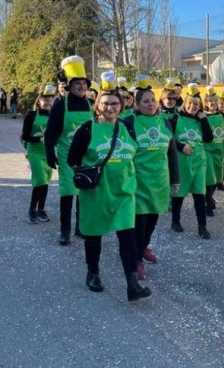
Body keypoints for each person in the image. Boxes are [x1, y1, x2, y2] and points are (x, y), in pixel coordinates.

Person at [67, 71, 151, 302]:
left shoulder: (126, 127)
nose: (111, 107)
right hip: (96, 193)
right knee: (94, 235)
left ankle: (132, 284)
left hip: (124, 193)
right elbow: (72, 159)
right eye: (105, 103)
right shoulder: (87, 129)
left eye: (115, 103)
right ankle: (92, 273)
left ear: (121, 106)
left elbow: (134, 154)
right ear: (97, 106)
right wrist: (87, 173)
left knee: (128, 238)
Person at [122, 77, 179, 280]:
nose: (150, 104)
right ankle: (137, 259)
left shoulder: (165, 123)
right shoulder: (128, 122)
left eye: (152, 100)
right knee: (140, 222)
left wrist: (175, 179)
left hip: (159, 182)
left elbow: (172, 154)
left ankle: (143, 246)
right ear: (136, 105)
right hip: (138, 181)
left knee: (153, 220)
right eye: (145, 101)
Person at [45, 55, 93, 245]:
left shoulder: (91, 104)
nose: (82, 87)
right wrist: (49, 152)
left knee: (84, 192)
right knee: (67, 192)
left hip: (87, 156)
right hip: (67, 156)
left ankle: (80, 227)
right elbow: (50, 132)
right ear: (70, 85)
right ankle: (64, 231)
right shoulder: (60, 104)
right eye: (77, 84)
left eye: (84, 84)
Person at [170, 83, 214, 239]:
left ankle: (202, 227)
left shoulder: (201, 120)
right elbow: (169, 140)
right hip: (182, 163)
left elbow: (209, 138)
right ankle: (175, 221)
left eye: (196, 104)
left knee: (199, 195)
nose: (193, 106)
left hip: (198, 163)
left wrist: (204, 120)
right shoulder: (176, 118)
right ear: (185, 103)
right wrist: (181, 146)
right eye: (190, 103)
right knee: (179, 194)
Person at [22, 84, 57, 224]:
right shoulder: (31, 115)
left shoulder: (55, 117)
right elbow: (24, 136)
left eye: (51, 99)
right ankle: (32, 210)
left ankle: (41, 210)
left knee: (45, 182)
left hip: (48, 153)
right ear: (39, 100)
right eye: (45, 98)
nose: (48, 101)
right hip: (34, 152)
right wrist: (39, 138)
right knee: (40, 180)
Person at [203, 88, 224, 216]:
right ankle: (207, 202)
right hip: (207, 151)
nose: (212, 103)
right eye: (209, 101)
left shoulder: (222, 115)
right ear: (206, 102)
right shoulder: (202, 116)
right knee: (210, 178)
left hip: (219, 150)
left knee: (218, 179)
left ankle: (209, 197)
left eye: (214, 101)